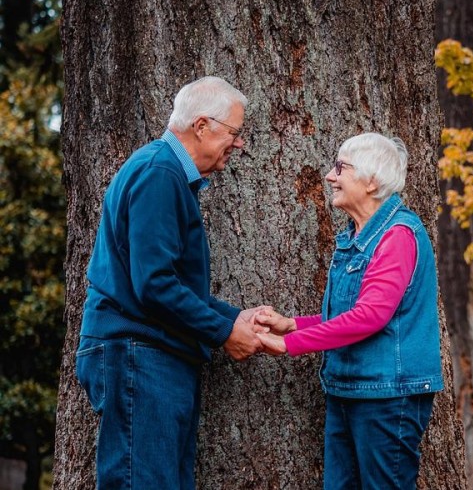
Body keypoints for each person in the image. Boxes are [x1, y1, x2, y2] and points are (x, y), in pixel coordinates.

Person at [75, 76, 267, 489]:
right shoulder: (159, 172)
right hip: (139, 354)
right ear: (202, 126)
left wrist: (238, 318)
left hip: (152, 354)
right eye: (235, 133)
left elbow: (169, 282)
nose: (238, 144)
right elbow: (155, 286)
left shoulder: (166, 173)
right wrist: (224, 332)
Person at [256, 132, 443, 489]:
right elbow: (352, 314)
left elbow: (371, 317)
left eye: (341, 167)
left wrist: (289, 345)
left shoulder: (397, 236)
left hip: (387, 397)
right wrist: (291, 325)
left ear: (371, 182)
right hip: (351, 390)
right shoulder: (359, 236)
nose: (330, 176)